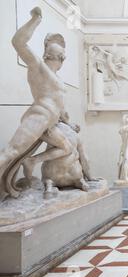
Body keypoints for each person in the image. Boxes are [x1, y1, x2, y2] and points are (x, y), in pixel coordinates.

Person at [0, 7, 73, 201]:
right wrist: (35, 20)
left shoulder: (57, 78)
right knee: (11, 152)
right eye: (56, 48)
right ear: (49, 54)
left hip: (50, 123)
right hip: (39, 117)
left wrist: (69, 123)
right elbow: (18, 42)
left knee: (66, 147)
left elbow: (61, 109)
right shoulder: (37, 66)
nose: (61, 52)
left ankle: (32, 161)